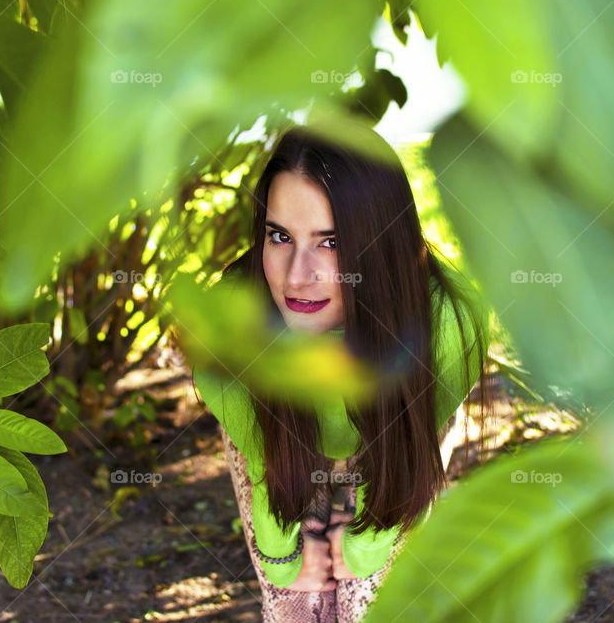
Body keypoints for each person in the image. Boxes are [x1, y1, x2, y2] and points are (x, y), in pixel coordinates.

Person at [191, 119, 488, 622]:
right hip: (282, 428)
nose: (297, 276)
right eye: (280, 236)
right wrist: (283, 557)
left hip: (396, 421)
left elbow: (403, 461)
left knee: (371, 604)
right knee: (295, 606)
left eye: (330, 242)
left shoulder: (450, 330)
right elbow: (266, 455)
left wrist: (360, 548)